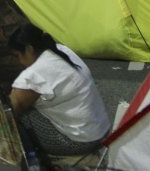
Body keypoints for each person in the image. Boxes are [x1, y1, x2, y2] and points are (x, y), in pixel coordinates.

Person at [8, 23, 111, 157]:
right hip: (102, 130)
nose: (19, 61)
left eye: (18, 56)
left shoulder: (33, 75)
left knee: (14, 118)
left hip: (79, 142)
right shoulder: (62, 50)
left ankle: (31, 161)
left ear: (29, 49)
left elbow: (13, 108)